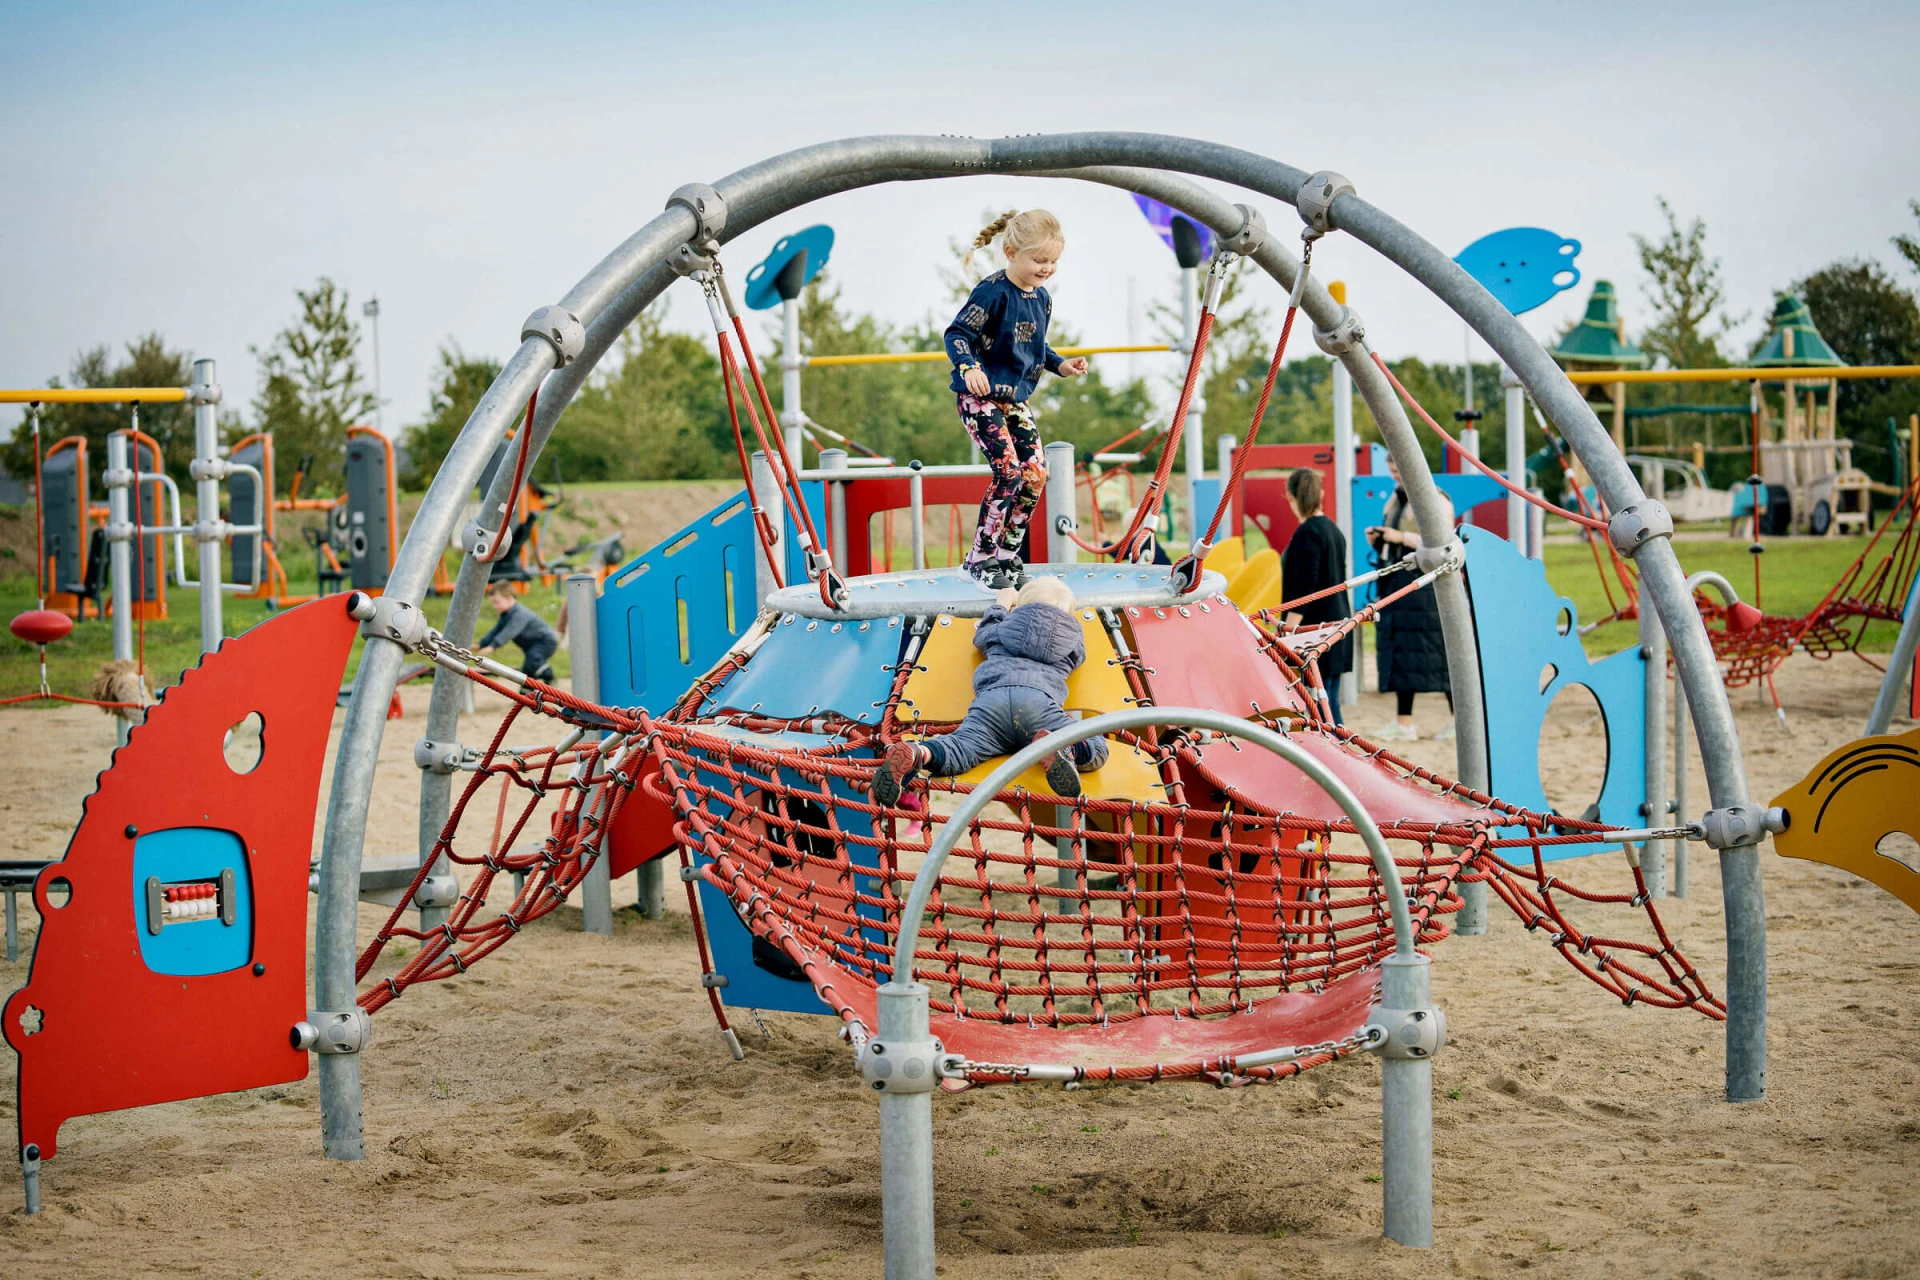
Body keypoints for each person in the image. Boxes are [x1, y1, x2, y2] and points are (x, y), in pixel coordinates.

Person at [943, 209, 1089, 588]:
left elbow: (1035, 345)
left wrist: (1061, 366)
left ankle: (1008, 556)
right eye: (1039, 260)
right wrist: (969, 368)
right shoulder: (992, 292)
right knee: (1008, 471)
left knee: (1036, 473)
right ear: (1010, 252)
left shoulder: (1042, 299)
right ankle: (979, 559)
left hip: (1015, 400)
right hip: (980, 396)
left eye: (1054, 261)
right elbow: (957, 334)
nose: (1047, 268)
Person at [872, 576, 1107, 803]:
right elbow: (1080, 655)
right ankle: (1066, 748)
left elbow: (982, 634)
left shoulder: (1003, 630)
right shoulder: (1070, 642)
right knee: (1095, 741)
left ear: (1020, 608)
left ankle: (919, 754)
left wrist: (1002, 604)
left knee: (962, 747)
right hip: (1039, 706)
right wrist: (1068, 623)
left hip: (992, 704)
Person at [1365, 457, 1454, 741]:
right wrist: (1379, 539)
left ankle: (1457, 721)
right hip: (1399, 584)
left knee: (1440, 655)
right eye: (1391, 470)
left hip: (1425, 587)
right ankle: (1404, 723)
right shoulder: (1395, 499)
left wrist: (1399, 536)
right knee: (1404, 655)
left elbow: (1443, 543)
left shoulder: (1435, 499)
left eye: (1398, 470)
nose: (1395, 476)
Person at [1278, 468, 1352, 725]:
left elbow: (1303, 590)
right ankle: (1339, 748)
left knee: (1320, 702)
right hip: (1336, 621)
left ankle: (1335, 751)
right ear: (1321, 494)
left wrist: (1288, 632)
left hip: (1314, 627)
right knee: (1328, 697)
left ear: (1289, 496)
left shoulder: (1307, 533)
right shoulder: (1332, 529)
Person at [476, 582, 560, 683]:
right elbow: (496, 631)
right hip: (531, 645)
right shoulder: (506, 615)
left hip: (545, 642)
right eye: (493, 603)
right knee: (527, 671)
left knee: (534, 660)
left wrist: (492, 646)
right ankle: (525, 695)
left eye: (497, 602)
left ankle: (550, 678)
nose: (494, 606)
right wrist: (481, 644)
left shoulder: (519, 614)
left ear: (509, 598)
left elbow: (509, 632)